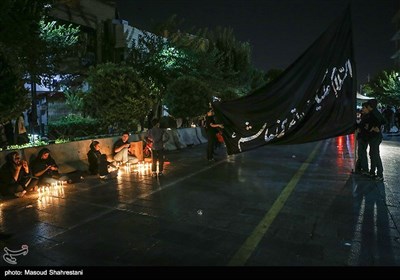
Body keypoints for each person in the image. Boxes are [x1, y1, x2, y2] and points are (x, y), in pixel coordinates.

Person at [366, 99, 386, 181]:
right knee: (373, 154)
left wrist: (374, 128)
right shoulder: (374, 112)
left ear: (370, 106)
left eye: (367, 106)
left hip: (375, 137)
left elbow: (384, 121)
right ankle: (373, 172)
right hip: (374, 137)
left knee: (375, 155)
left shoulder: (374, 113)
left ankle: (379, 174)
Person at [354, 102, 370, 175]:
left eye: (363, 108)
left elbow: (365, 127)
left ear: (368, 108)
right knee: (360, 152)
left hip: (364, 137)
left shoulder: (368, 117)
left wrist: (360, 127)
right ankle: (358, 167)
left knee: (362, 153)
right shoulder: (364, 116)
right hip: (362, 136)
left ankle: (365, 169)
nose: (362, 109)